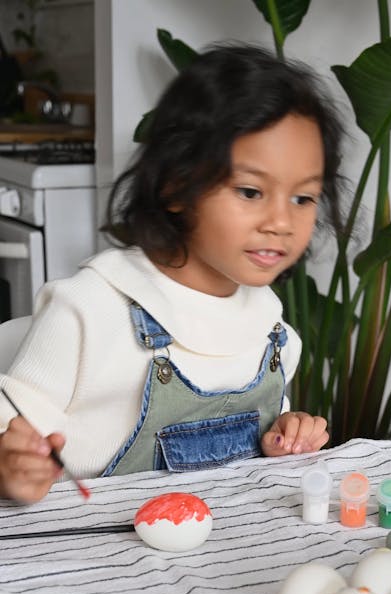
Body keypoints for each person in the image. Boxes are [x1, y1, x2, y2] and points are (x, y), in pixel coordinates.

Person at [0, 43, 345, 504]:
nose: (281, 222)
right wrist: (14, 465)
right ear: (177, 186)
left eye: (303, 198)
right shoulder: (90, 309)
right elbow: (12, 437)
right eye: (250, 191)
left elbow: (254, 445)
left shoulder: (274, 332)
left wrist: (283, 436)